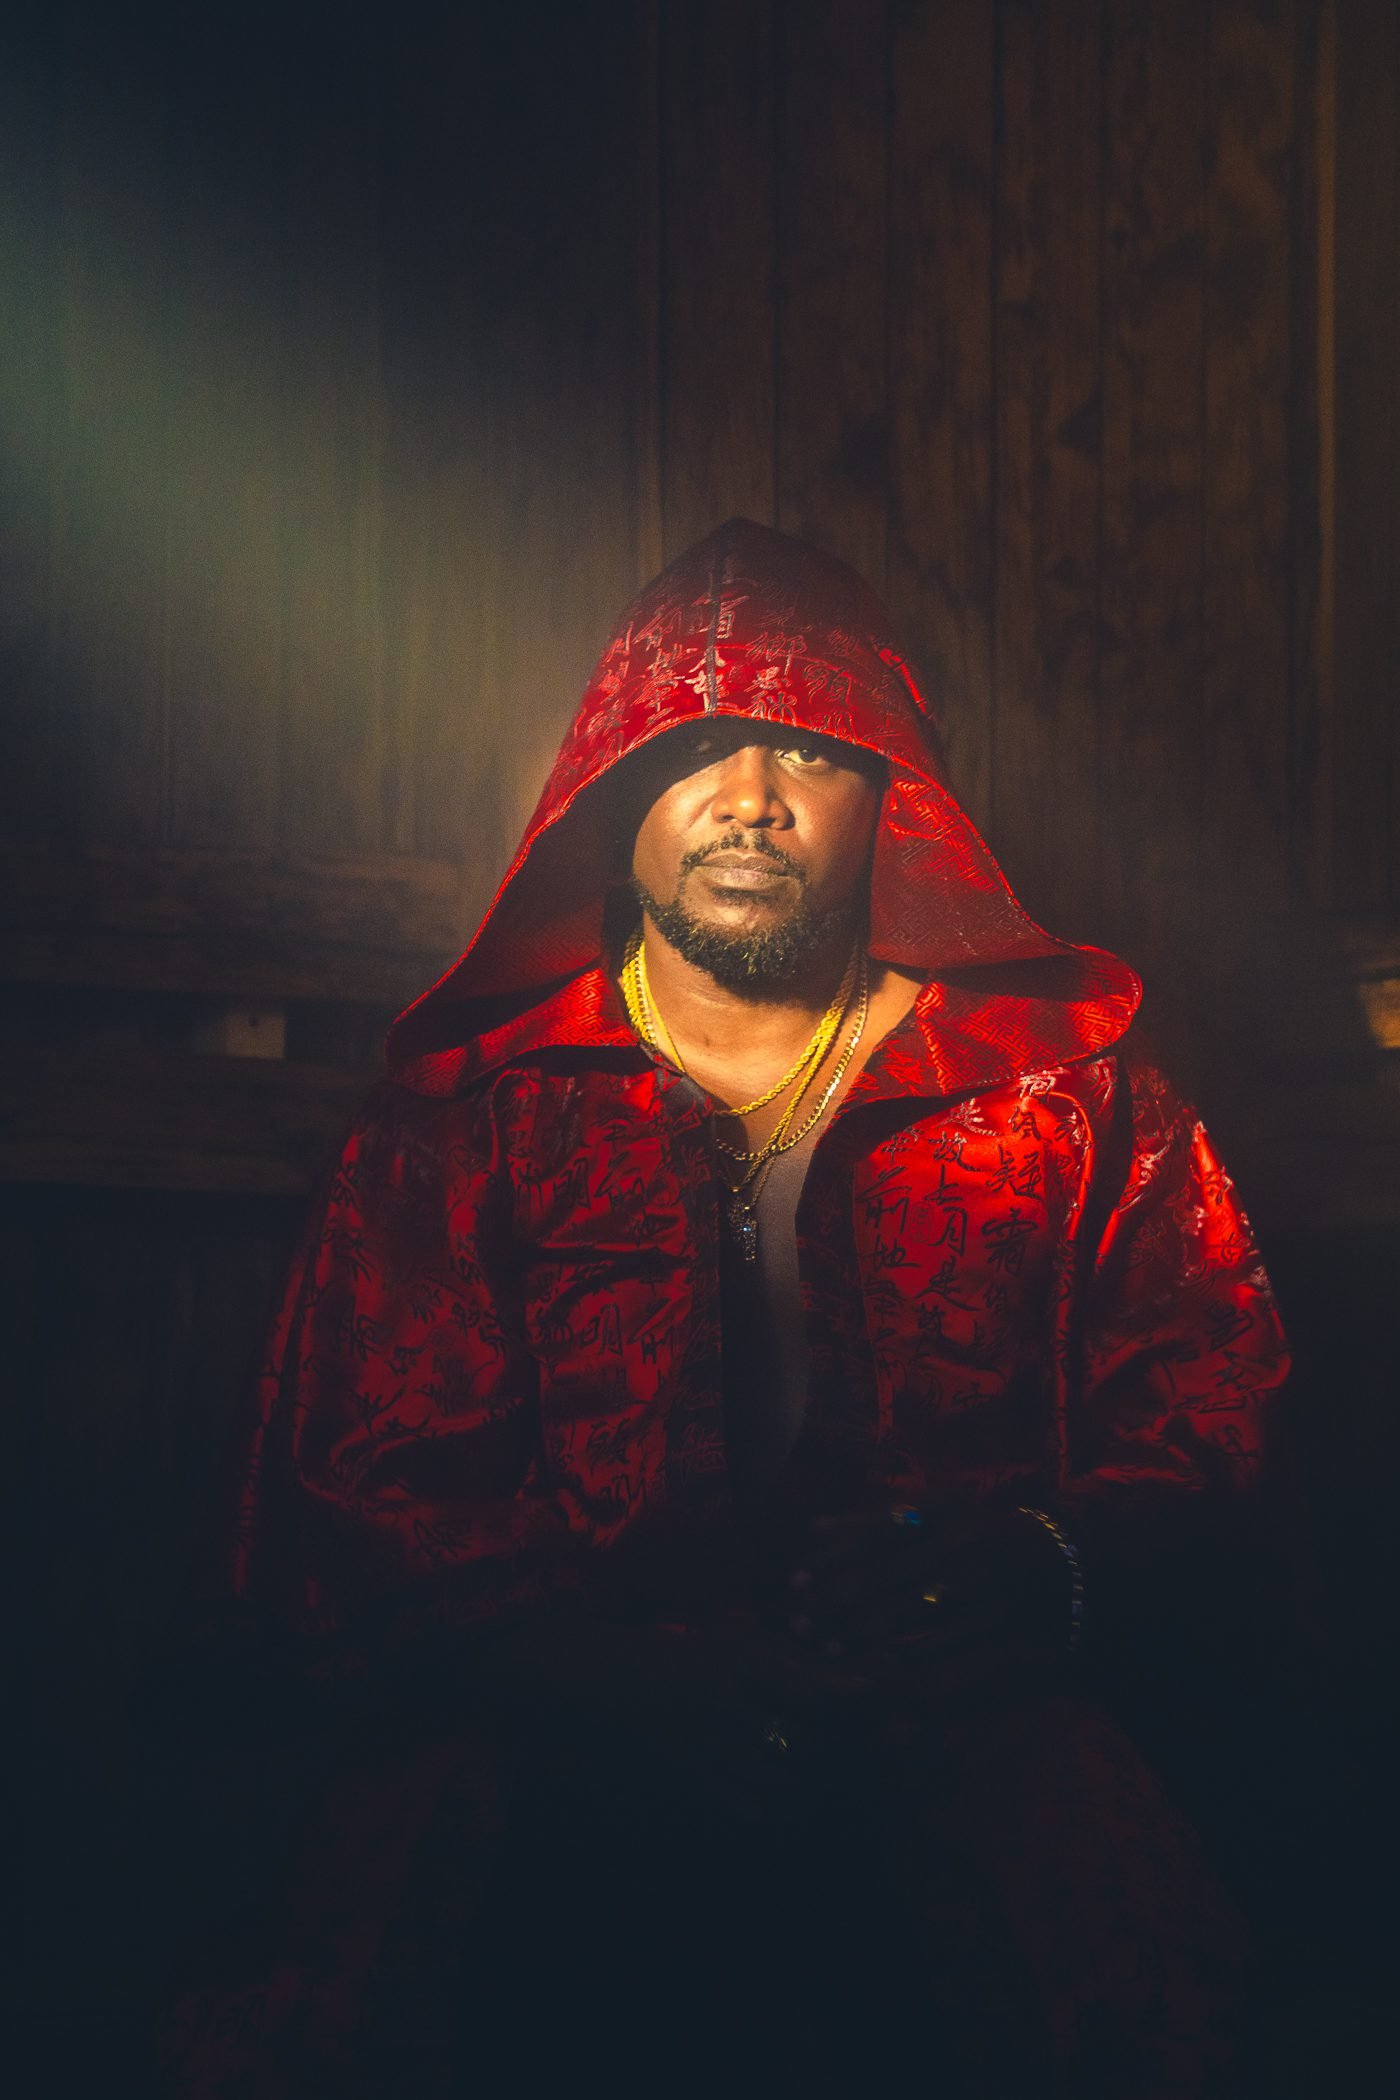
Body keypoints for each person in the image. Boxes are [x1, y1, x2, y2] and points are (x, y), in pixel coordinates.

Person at [165, 519, 1289, 2097]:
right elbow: (358, 1488)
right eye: (694, 746)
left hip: (971, 1738)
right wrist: (608, 1682)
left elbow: (1218, 1413)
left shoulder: (1065, 1098)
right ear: (608, 787)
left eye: (807, 750)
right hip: (547, 1750)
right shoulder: (475, 1111)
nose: (750, 797)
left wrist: (1034, 1568)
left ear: (891, 796)